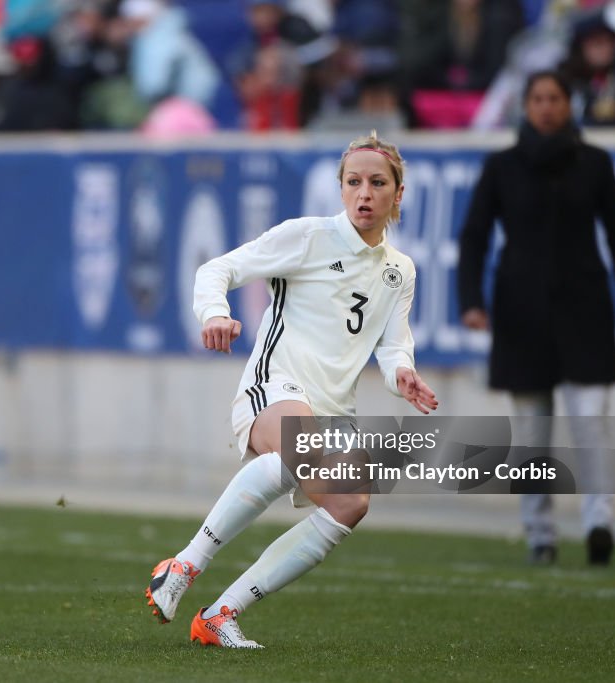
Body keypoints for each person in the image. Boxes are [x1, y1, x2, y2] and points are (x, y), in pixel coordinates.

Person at [145, 131, 438, 648]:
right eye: (353, 182)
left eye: (376, 183)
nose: (363, 193)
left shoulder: (399, 271)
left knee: (351, 504)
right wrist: (215, 313)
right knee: (300, 446)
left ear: (398, 192)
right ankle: (185, 565)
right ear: (341, 188)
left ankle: (220, 615)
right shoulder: (308, 237)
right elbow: (218, 269)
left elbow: (393, 348)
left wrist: (402, 376)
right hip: (275, 385)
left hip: (334, 409)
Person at [457, 70, 615, 567]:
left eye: (554, 98)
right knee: (533, 436)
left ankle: (599, 523)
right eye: (537, 99)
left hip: (585, 307)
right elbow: (474, 236)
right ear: (525, 106)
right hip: (522, 311)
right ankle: (540, 533)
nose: (545, 107)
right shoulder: (503, 166)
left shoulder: (595, 164)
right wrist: (472, 300)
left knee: (589, 423)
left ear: (568, 104)